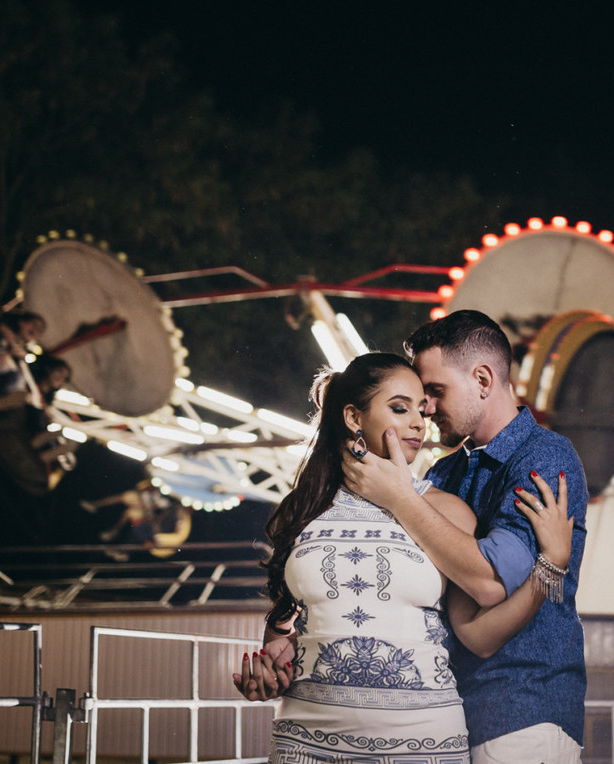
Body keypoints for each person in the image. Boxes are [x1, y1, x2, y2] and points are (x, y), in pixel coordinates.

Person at [232, 352, 573, 764]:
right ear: (354, 417)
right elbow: (287, 622)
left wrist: (551, 564)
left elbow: (479, 634)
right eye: (399, 407)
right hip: (305, 740)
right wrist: (271, 668)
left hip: (424, 743)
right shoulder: (301, 510)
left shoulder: (447, 511)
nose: (418, 422)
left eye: (421, 409)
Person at [341, 310, 589, 763]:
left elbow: (490, 583)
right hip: (443, 718)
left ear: (482, 379)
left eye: (435, 391)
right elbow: (459, 617)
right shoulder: (445, 472)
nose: (426, 409)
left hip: (522, 712)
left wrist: (401, 499)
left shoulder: (546, 457)